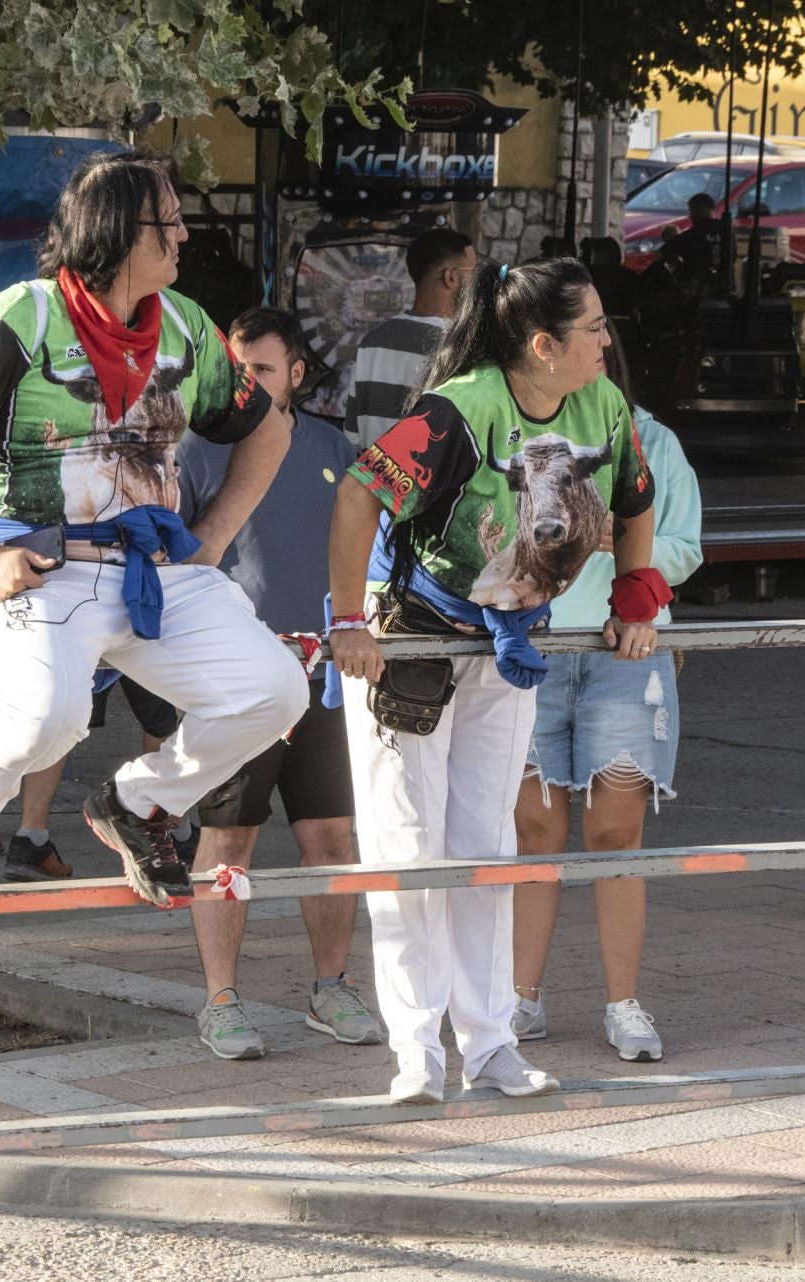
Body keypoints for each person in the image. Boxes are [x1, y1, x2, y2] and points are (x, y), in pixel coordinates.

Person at [0, 150, 309, 907]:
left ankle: (139, 803)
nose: (183, 237)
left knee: (274, 692)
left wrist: (212, 536)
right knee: (49, 715)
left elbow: (266, 431)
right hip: (37, 568)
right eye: (168, 221)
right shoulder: (16, 320)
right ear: (115, 231)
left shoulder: (187, 326)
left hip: (155, 570)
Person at [326, 257, 666, 1104]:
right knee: (408, 850)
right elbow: (360, 497)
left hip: (508, 641)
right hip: (410, 641)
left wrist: (635, 593)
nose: (606, 341)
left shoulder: (604, 405)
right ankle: (417, 1053)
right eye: (593, 329)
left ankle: (489, 1044)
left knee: (487, 848)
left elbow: (634, 500)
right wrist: (345, 623)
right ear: (544, 344)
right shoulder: (459, 410)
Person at [176, 306, 381, 1060]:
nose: (249, 384)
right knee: (229, 838)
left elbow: (370, 549)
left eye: (263, 370)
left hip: (323, 676)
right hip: (235, 680)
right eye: (238, 371)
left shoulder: (335, 446)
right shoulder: (194, 450)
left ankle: (332, 988)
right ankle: (221, 1000)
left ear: (297, 374)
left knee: (330, 837)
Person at [509, 327, 703, 1064]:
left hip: (627, 650)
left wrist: (596, 536)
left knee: (617, 830)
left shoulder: (653, 439)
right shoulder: (518, 440)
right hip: (534, 646)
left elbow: (683, 547)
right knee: (535, 830)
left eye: (598, 349)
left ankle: (624, 1004)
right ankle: (521, 997)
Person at [346, 228, 478, 448]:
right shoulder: (463, 347)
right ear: (451, 277)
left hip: (370, 480)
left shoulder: (372, 343)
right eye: (474, 274)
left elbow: (352, 436)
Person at [664, 193, 725, 284]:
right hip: (723, 285)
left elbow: (667, 250)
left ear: (700, 210)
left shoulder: (694, 234)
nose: (690, 216)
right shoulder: (728, 232)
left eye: (692, 210)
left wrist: (671, 237)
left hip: (697, 288)